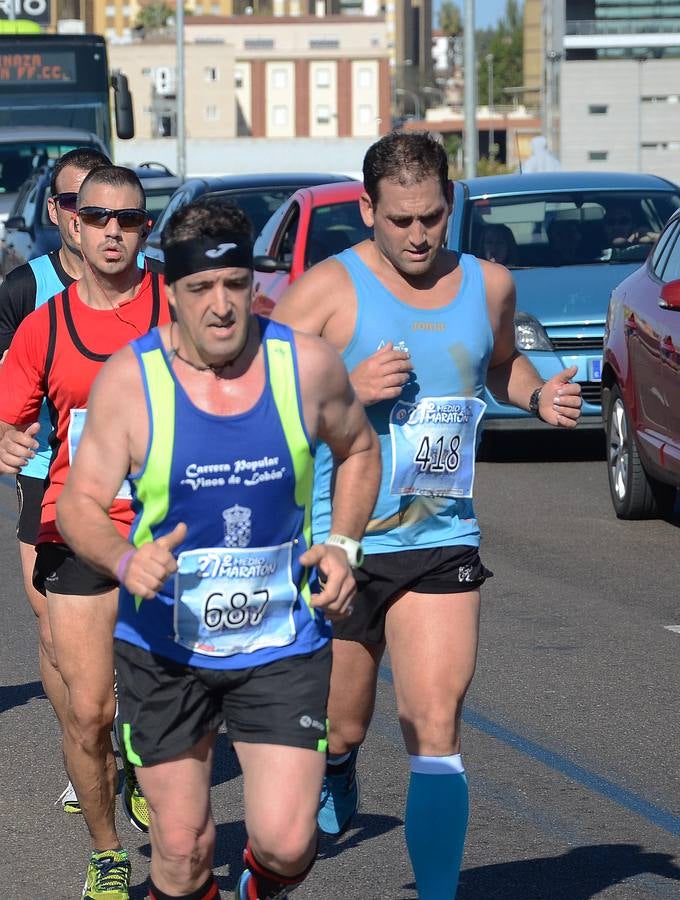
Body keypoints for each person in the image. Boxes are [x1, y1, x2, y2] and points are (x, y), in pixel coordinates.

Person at [270, 131, 582, 899]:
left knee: (433, 725)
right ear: (367, 208)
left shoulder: (489, 284)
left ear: (451, 207)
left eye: (433, 218)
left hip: (442, 539)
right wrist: (345, 384)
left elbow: (501, 362)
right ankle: (338, 764)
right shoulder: (324, 291)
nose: (418, 235)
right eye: (401, 219)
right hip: (341, 544)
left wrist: (537, 394)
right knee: (343, 725)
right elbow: (257, 400)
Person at [56, 196, 381, 900]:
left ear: (254, 285)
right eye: (201, 289)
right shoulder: (131, 382)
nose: (222, 306)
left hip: (280, 640)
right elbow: (78, 505)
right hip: (165, 648)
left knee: (290, 843)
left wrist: (343, 543)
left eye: (235, 285)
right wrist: (122, 559)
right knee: (181, 847)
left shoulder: (308, 367)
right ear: (169, 291)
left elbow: (359, 448)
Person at [0, 165, 167, 900]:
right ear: (74, 226)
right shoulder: (44, 326)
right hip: (78, 527)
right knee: (90, 712)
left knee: (171, 705)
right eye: (99, 218)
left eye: (129, 219)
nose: (114, 231)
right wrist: (1, 449)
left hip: (169, 532)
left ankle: (156, 778)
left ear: (144, 230)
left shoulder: (176, 310)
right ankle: (108, 849)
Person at [0, 146, 112, 815]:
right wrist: (13, 381)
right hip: (48, 477)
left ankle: (123, 731)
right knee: (52, 626)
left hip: (140, 482)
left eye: (108, 210)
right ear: (57, 213)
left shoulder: (150, 287)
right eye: (78, 206)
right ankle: (86, 750)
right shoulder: (27, 286)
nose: (92, 221)